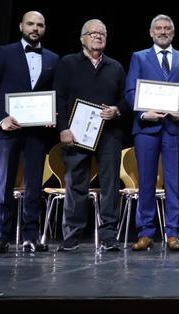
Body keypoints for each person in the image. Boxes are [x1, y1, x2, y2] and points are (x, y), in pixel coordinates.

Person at [0, 11, 59, 253]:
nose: (35, 28)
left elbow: (56, 93)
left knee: (34, 184)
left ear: (45, 28)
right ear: (21, 26)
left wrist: (53, 114)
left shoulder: (54, 58)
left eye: (40, 25)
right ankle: (1, 236)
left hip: (37, 132)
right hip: (9, 129)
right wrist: (0, 119)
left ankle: (30, 237)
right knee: (4, 184)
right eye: (31, 24)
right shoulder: (5, 53)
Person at [124, 14, 179, 252]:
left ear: (173, 33)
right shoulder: (139, 57)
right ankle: (145, 232)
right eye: (159, 28)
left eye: (167, 28)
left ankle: (173, 233)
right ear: (151, 32)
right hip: (147, 128)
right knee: (145, 181)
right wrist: (145, 113)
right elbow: (131, 91)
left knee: (174, 183)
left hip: (175, 129)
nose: (163, 31)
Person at [54, 19, 128, 252]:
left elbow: (126, 99)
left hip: (109, 134)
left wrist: (116, 110)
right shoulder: (68, 63)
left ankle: (108, 236)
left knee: (110, 185)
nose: (98, 36)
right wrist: (63, 128)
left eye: (102, 33)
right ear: (82, 38)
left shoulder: (115, 67)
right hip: (76, 133)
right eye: (92, 33)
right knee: (76, 183)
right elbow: (59, 98)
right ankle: (72, 235)